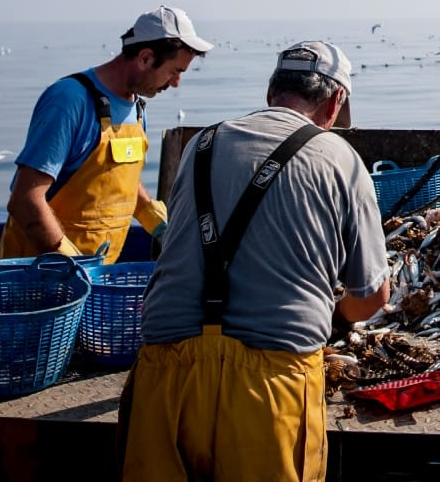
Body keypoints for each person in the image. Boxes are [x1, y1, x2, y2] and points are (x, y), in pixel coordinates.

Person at [121, 41, 389, 482]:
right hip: (270, 387)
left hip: (164, 375)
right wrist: (337, 321)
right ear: (336, 101)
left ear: (271, 92)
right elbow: (374, 295)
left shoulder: (199, 145)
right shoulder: (341, 158)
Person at [0, 6, 209, 263]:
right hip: (37, 279)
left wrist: (157, 222)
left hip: (96, 276)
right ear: (145, 58)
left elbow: (117, 181)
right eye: (175, 71)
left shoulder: (137, 109)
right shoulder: (69, 100)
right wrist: (69, 263)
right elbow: (25, 200)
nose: (176, 83)